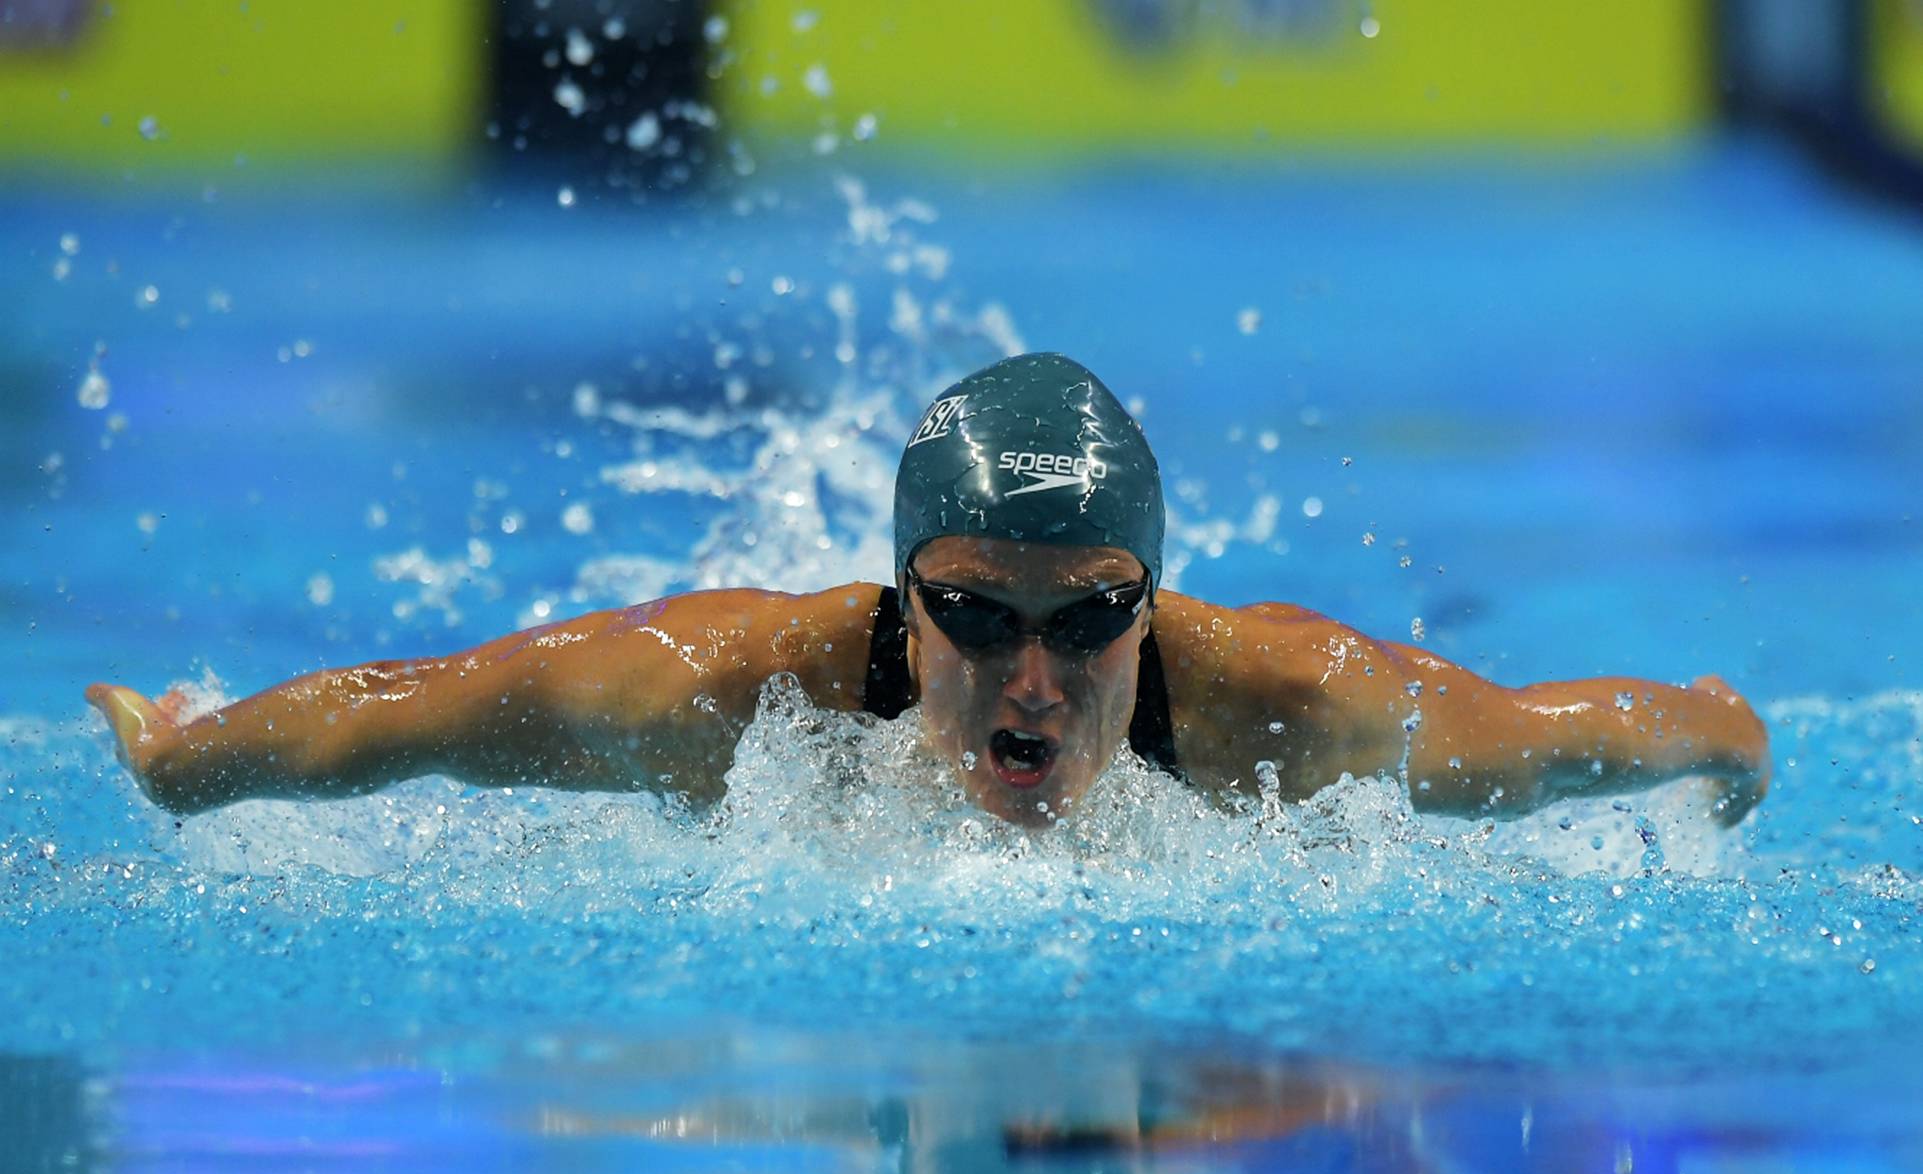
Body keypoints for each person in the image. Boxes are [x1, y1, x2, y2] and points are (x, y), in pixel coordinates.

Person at [86, 353, 1770, 830]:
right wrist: (191, 761)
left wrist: (1729, 740)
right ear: (902, 605)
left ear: (1149, 606)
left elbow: (1568, 736)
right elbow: (420, 712)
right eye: (972, 616)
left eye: (1087, 617)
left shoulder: (1287, 708)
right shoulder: (734, 687)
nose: (1030, 675)